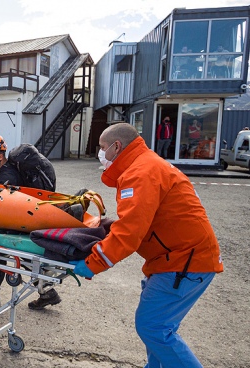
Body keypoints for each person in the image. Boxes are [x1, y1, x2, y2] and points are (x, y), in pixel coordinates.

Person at [71, 123, 223, 367]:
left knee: (153, 328)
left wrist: (94, 261)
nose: (100, 154)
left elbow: (130, 231)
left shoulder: (140, 173)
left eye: (101, 148)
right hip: (177, 258)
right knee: (159, 330)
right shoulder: (145, 164)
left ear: (116, 146)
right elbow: (142, 220)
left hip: (184, 261)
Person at [0, 134, 61, 310]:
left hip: (17, 221)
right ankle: (47, 292)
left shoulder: (7, 175)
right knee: (22, 260)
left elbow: (2, 203)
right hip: (21, 218)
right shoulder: (3, 170)